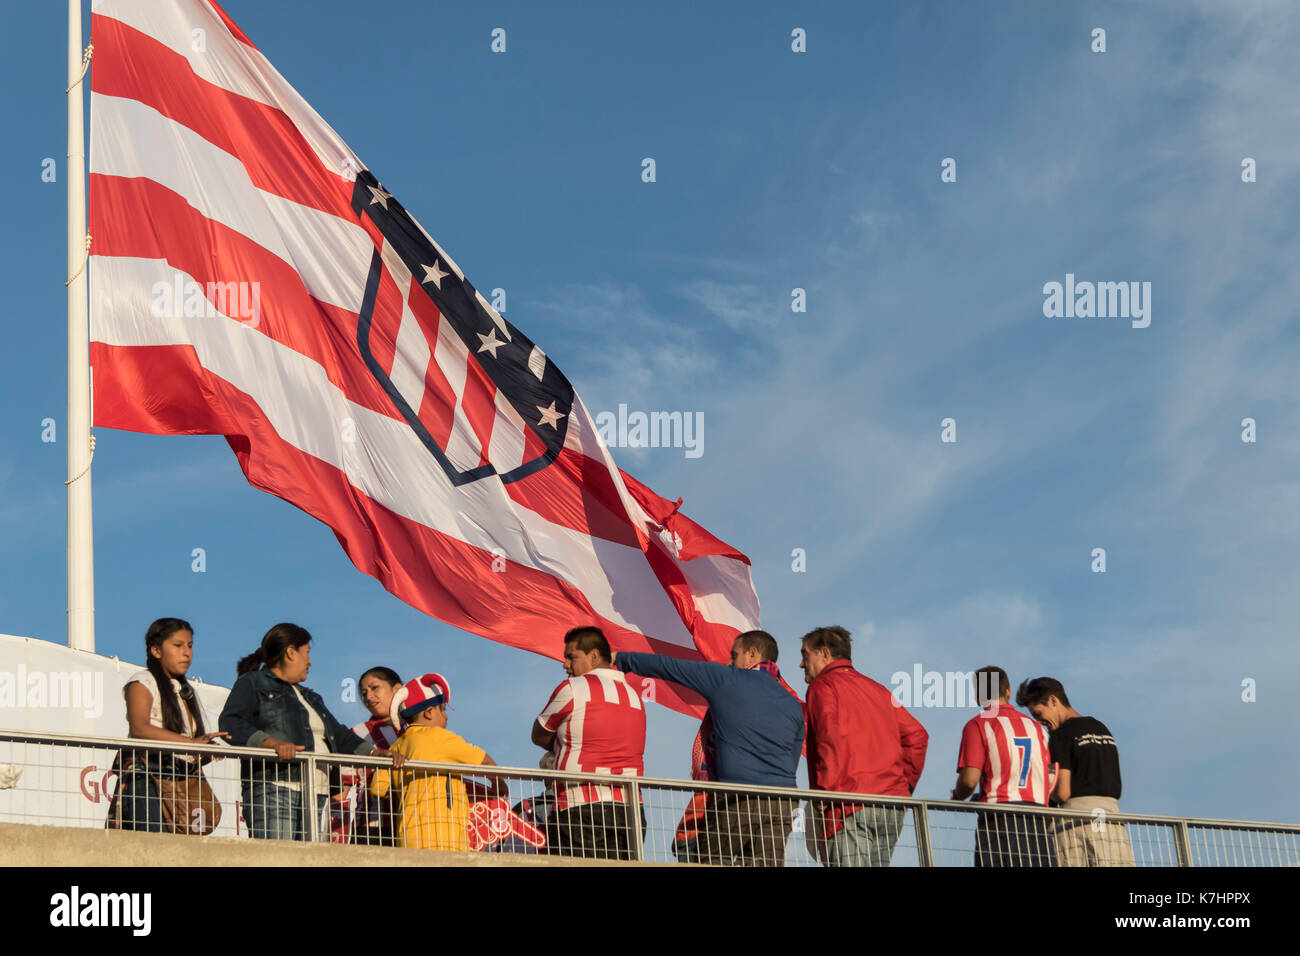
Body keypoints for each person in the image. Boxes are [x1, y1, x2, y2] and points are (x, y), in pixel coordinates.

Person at [614, 630, 805, 866]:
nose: (730, 662)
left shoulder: (727, 679)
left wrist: (620, 659)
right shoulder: (793, 704)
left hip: (738, 798)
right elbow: (792, 760)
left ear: (752, 654)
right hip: (784, 804)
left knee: (712, 860)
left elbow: (668, 666)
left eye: (735, 655)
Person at [219, 623, 403, 841]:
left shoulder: (312, 697)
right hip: (276, 788)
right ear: (290, 652)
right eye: (306, 653)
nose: (310, 662)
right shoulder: (252, 682)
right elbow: (230, 722)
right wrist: (269, 743)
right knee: (279, 859)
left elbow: (340, 734)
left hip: (316, 792)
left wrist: (375, 753)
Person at [800, 625, 928, 866]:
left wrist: (825, 791)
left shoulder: (823, 686)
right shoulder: (879, 690)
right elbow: (917, 736)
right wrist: (904, 787)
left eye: (806, 655)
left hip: (848, 802)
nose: (801, 664)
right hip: (891, 806)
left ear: (825, 654)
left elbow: (829, 734)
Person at [532, 627, 647, 861]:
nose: (565, 664)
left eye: (571, 657)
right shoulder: (634, 696)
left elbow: (539, 734)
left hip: (579, 807)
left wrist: (564, 745)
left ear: (594, 656)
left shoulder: (572, 689)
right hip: (630, 809)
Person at [106, 617, 228, 832]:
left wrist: (204, 751)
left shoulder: (184, 690)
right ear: (156, 651)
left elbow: (186, 746)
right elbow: (139, 728)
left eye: (190, 646)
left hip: (180, 779)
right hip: (146, 777)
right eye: (178, 645)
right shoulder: (143, 681)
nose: (187, 652)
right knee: (152, 849)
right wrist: (190, 743)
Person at [371, 673, 503, 852]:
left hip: (408, 840)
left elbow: (378, 789)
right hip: (446, 841)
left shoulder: (396, 746)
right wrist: (499, 783)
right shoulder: (439, 737)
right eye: (443, 710)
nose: (446, 717)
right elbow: (484, 761)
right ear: (428, 712)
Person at [1016, 676, 1135, 866]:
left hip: (1076, 825)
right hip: (1113, 822)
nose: (1040, 722)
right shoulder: (1101, 727)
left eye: (1038, 714)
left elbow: (1062, 792)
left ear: (1053, 700)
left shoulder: (1060, 734)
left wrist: (1047, 792)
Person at [952, 666, 1056, 867]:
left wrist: (957, 796)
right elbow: (1049, 776)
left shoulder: (979, 724)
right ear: (1008, 690)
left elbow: (969, 779)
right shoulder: (1037, 728)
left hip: (1000, 820)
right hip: (1039, 822)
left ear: (978, 696)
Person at [338, 666, 403, 846]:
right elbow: (342, 788)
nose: (368, 697)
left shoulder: (416, 731)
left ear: (397, 690)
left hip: (417, 825)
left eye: (375, 688)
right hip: (371, 827)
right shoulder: (357, 734)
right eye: (364, 692)